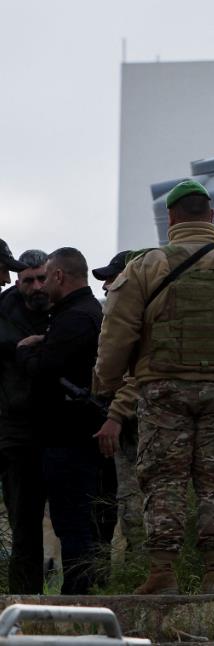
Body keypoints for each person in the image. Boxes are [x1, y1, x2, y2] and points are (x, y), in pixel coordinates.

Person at [93, 180, 214, 594]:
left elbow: (117, 331)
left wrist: (106, 384)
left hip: (163, 390)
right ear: (212, 216)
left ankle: (162, 573)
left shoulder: (146, 266)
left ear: (171, 219)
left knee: (164, 478)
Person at [16, 247, 108, 595]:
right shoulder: (84, 313)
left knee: (73, 523)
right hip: (75, 435)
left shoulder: (75, 318)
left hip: (69, 438)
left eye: (46, 277)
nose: (41, 286)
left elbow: (46, 371)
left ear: (58, 276)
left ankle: (78, 596)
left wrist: (26, 353)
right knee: (78, 521)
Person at [0, 248, 50, 593]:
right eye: (28, 280)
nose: (36, 287)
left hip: (61, 428)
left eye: (41, 278)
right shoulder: (5, 312)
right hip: (15, 428)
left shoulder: (68, 310)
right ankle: (23, 596)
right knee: (23, 522)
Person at [91, 250, 146, 554]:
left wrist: (115, 413)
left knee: (136, 504)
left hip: (136, 426)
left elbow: (137, 378)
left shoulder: (140, 321)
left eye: (112, 278)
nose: (105, 285)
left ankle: (143, 565)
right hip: (128, 425)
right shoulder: (126, 319)